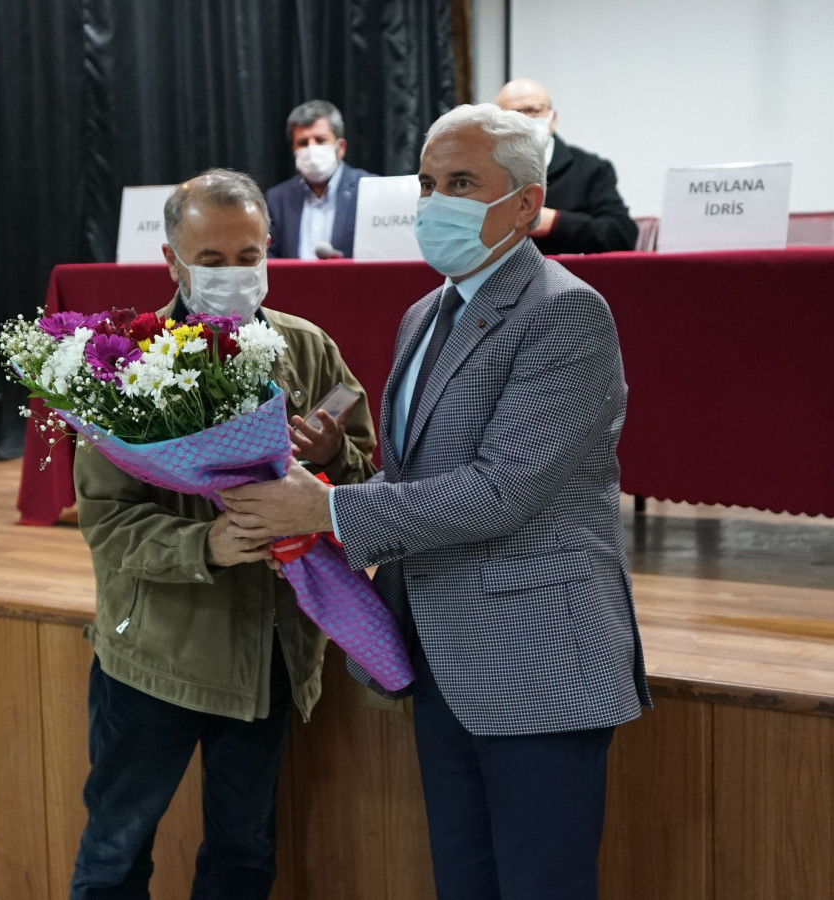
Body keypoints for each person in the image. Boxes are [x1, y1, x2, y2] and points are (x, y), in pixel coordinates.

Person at [219, 105, 649, 900]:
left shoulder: (566, 311)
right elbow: (417, 476)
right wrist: (321, 494)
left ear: (525, 204)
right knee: (463, 882)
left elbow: (502, 489)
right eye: (426, 184)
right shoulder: (425, 313)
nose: (432, 202)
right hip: (442, 653)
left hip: (536, 663)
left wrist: (324, 513)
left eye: (460, 184)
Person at [69, 168, 377, 899]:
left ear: (270, 249)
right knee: (115, 852)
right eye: (211, 260)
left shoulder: (308, 348)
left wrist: (334, 455)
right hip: (157, 656)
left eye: (248, 256)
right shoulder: (123, 360)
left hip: (268, 657)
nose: (233, 274)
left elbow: (368, 484)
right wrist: (205, 546)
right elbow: (107, 521)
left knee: (244, 853)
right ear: (172, 261)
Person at [495, 78, 638, 255]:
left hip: (568, 270)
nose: (524, 120)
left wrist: (554, 222)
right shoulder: (480, 170)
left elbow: (622, 234)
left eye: (533, 110)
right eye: (513, 114)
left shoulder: (591, 169)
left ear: (552, 118)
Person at [265, 100, 373, 259]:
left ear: (341, 148)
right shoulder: (277, 199)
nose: (312, 148)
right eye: (303, 143)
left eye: (320, 140)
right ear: (293, 149)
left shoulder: (369, 189)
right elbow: (268, 257)